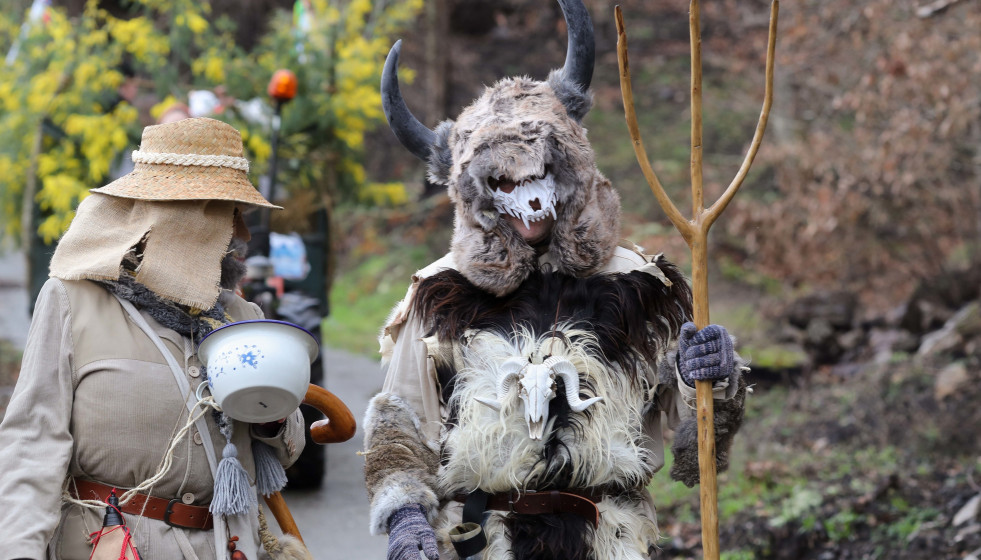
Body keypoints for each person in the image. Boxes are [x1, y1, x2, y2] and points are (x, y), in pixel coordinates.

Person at [361, 1, 748, 559]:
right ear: (476, 193)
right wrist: (404, 518)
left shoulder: (641, 288)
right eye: (501, 180)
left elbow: (699, 447)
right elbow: (400, 424)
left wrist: (709, 377)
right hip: (481, 542)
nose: (528, 201)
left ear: (569, 168)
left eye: (540, 172)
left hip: (609, 541)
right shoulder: (438, 295)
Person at [0, 117, 309, 560]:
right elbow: (32, 443)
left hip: (225, 547)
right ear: (175, 216)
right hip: (107, 546)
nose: (239, 235)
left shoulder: (242, 317)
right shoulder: (74, 301)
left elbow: (287, 449)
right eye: (226, 213)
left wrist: (270, 409)